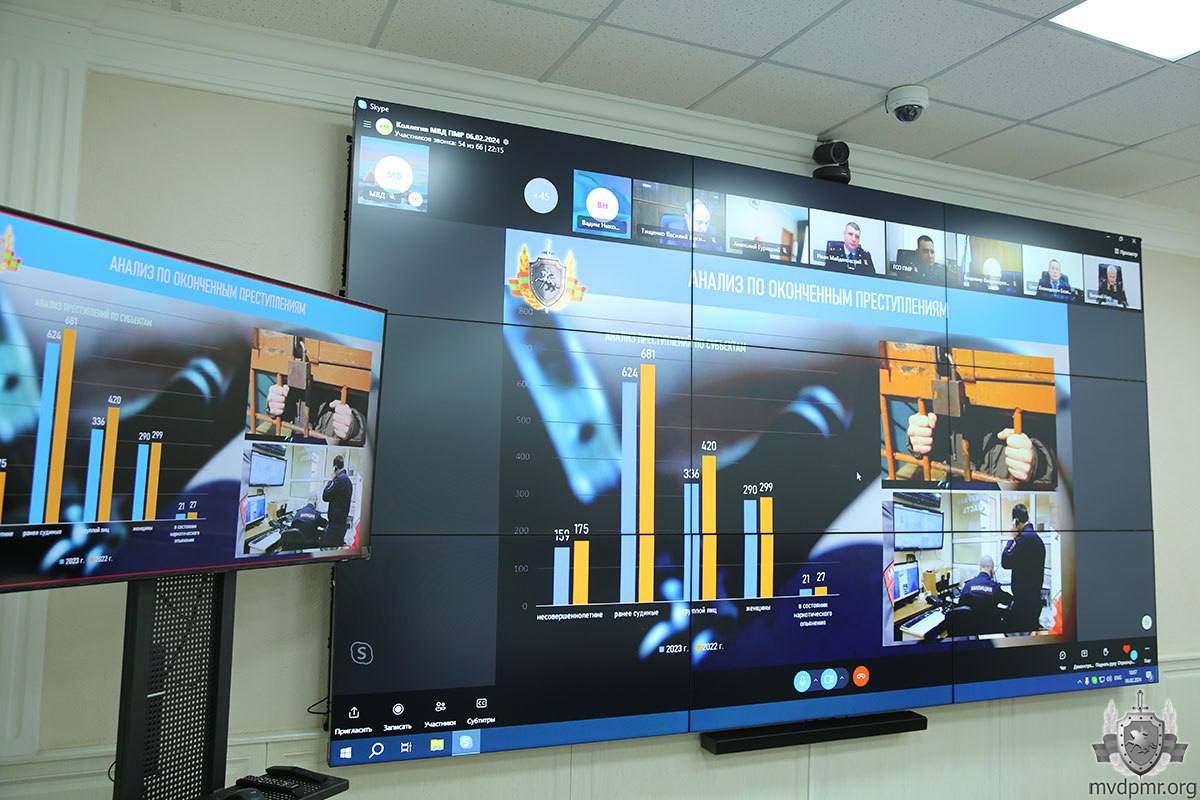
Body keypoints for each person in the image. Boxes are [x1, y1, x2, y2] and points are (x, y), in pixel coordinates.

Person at [905, 408, 1055, 487]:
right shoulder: (952, 369)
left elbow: (1055, 432)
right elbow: (942, 439)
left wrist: (1038, 462)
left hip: (1013, 485)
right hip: (958, 483)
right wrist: (923, 435)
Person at [266, 381, 364, 444]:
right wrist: (275, 402)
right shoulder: (302, 364)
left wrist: (356, 428)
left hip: (334, 454)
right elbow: (288, 408)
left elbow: (368, 421)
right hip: (300, 450)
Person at [1001, 504, 1046, 631]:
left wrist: (1012, 538)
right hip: (1033, 600)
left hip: (1024, 603)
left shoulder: (1023, 539)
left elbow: (1005, 562)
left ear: (1016, 521)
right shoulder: (1036, 538)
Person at [956, 554, 1013, 632]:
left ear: (980, 567)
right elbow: (1009, 601)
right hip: (990, 630)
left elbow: (961, 607)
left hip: (970, 630)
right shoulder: (994, 587)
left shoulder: (967, 585)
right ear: (991, 569)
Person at [322, 454, 353, 548]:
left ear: (335, 467)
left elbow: (325, 496)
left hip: (335, 526)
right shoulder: (348, 481)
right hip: (342, 523)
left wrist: (331, 480)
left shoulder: (339, 480)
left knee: (326, 548)